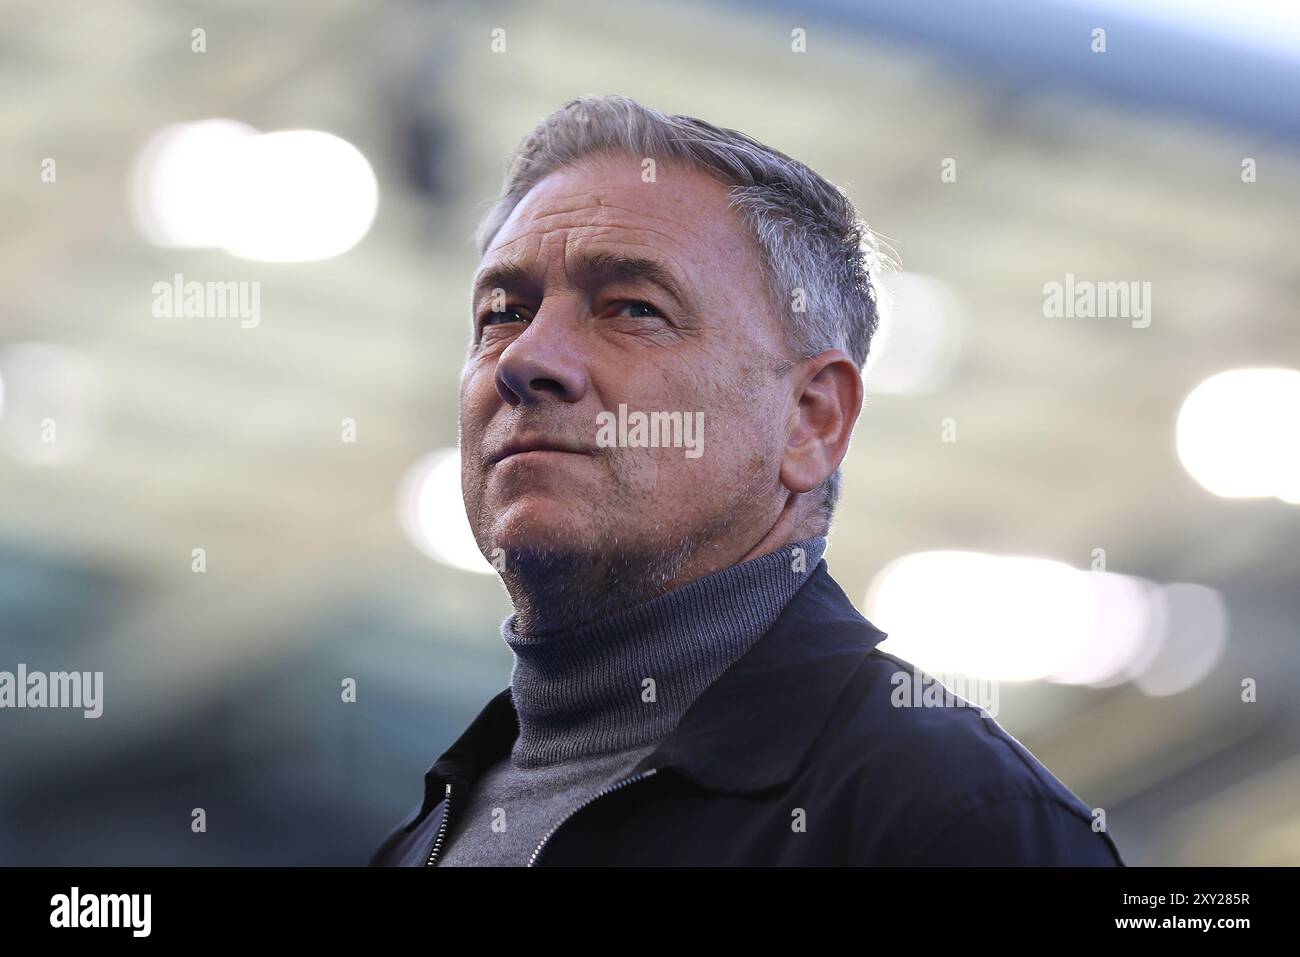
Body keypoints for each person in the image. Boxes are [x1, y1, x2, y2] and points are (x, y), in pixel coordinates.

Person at [369, 94, 1124, 866]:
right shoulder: (425, 839)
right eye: (503, 311)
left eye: (633, 308)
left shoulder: (957, 822)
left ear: (810, 419)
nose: (528, 359)